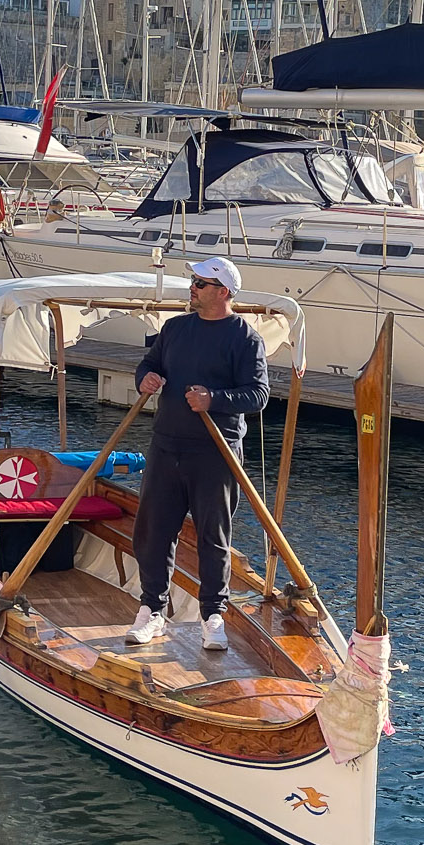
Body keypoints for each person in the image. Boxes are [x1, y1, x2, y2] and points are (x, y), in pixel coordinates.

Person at [127, 256, 269, 653]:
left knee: (213, 536)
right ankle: (152, 610)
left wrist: (214, 399)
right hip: (166, 445)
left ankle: (212, 616)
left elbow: (259, 395)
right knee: (154, 531)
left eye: (200, 283)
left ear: (223, 292)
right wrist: (145, 379)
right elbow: (149, 364)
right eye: (193, 280)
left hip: (215, 451)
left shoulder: (245, 339)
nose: (192, 287)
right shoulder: (174, 329)